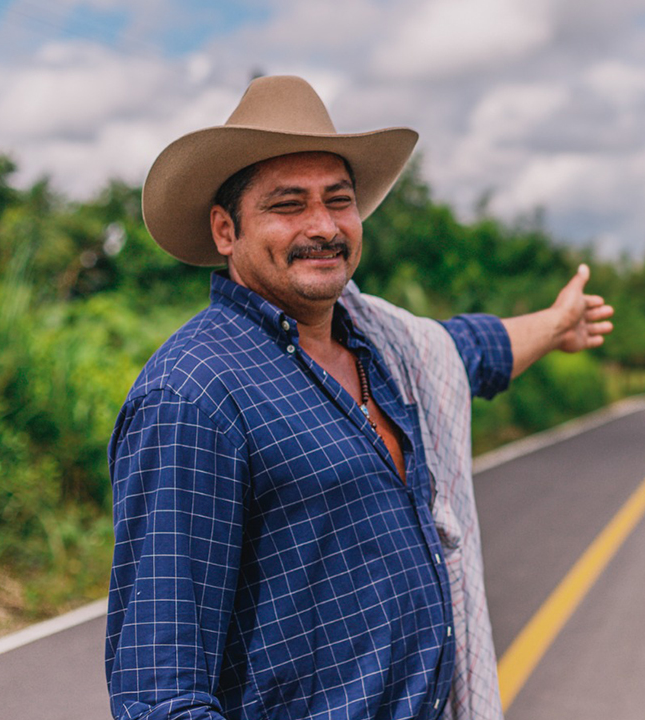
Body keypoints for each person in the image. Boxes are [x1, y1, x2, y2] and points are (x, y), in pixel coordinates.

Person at [105, 75, 613, 720]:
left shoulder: (384, 347)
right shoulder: (194, 397)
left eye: (338, 200)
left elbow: (468, 353)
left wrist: (556, 323)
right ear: (226, 230)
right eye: (288, 205)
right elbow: (159, 695)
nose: (323, 225)